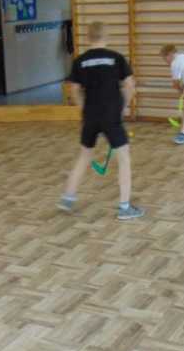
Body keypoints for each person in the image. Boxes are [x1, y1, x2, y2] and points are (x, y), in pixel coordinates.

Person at [58, 21, 144, 220]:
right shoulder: (116, 58)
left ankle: (67, 198)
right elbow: (130, 86)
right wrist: (122, 106)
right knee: (123, 158)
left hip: (90, 116)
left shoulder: (80, 61)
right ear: (107, 37)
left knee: (84, 156)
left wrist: (83, 108)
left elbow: (74, 90)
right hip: (111, 116)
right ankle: (124, 208)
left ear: (88, 37)